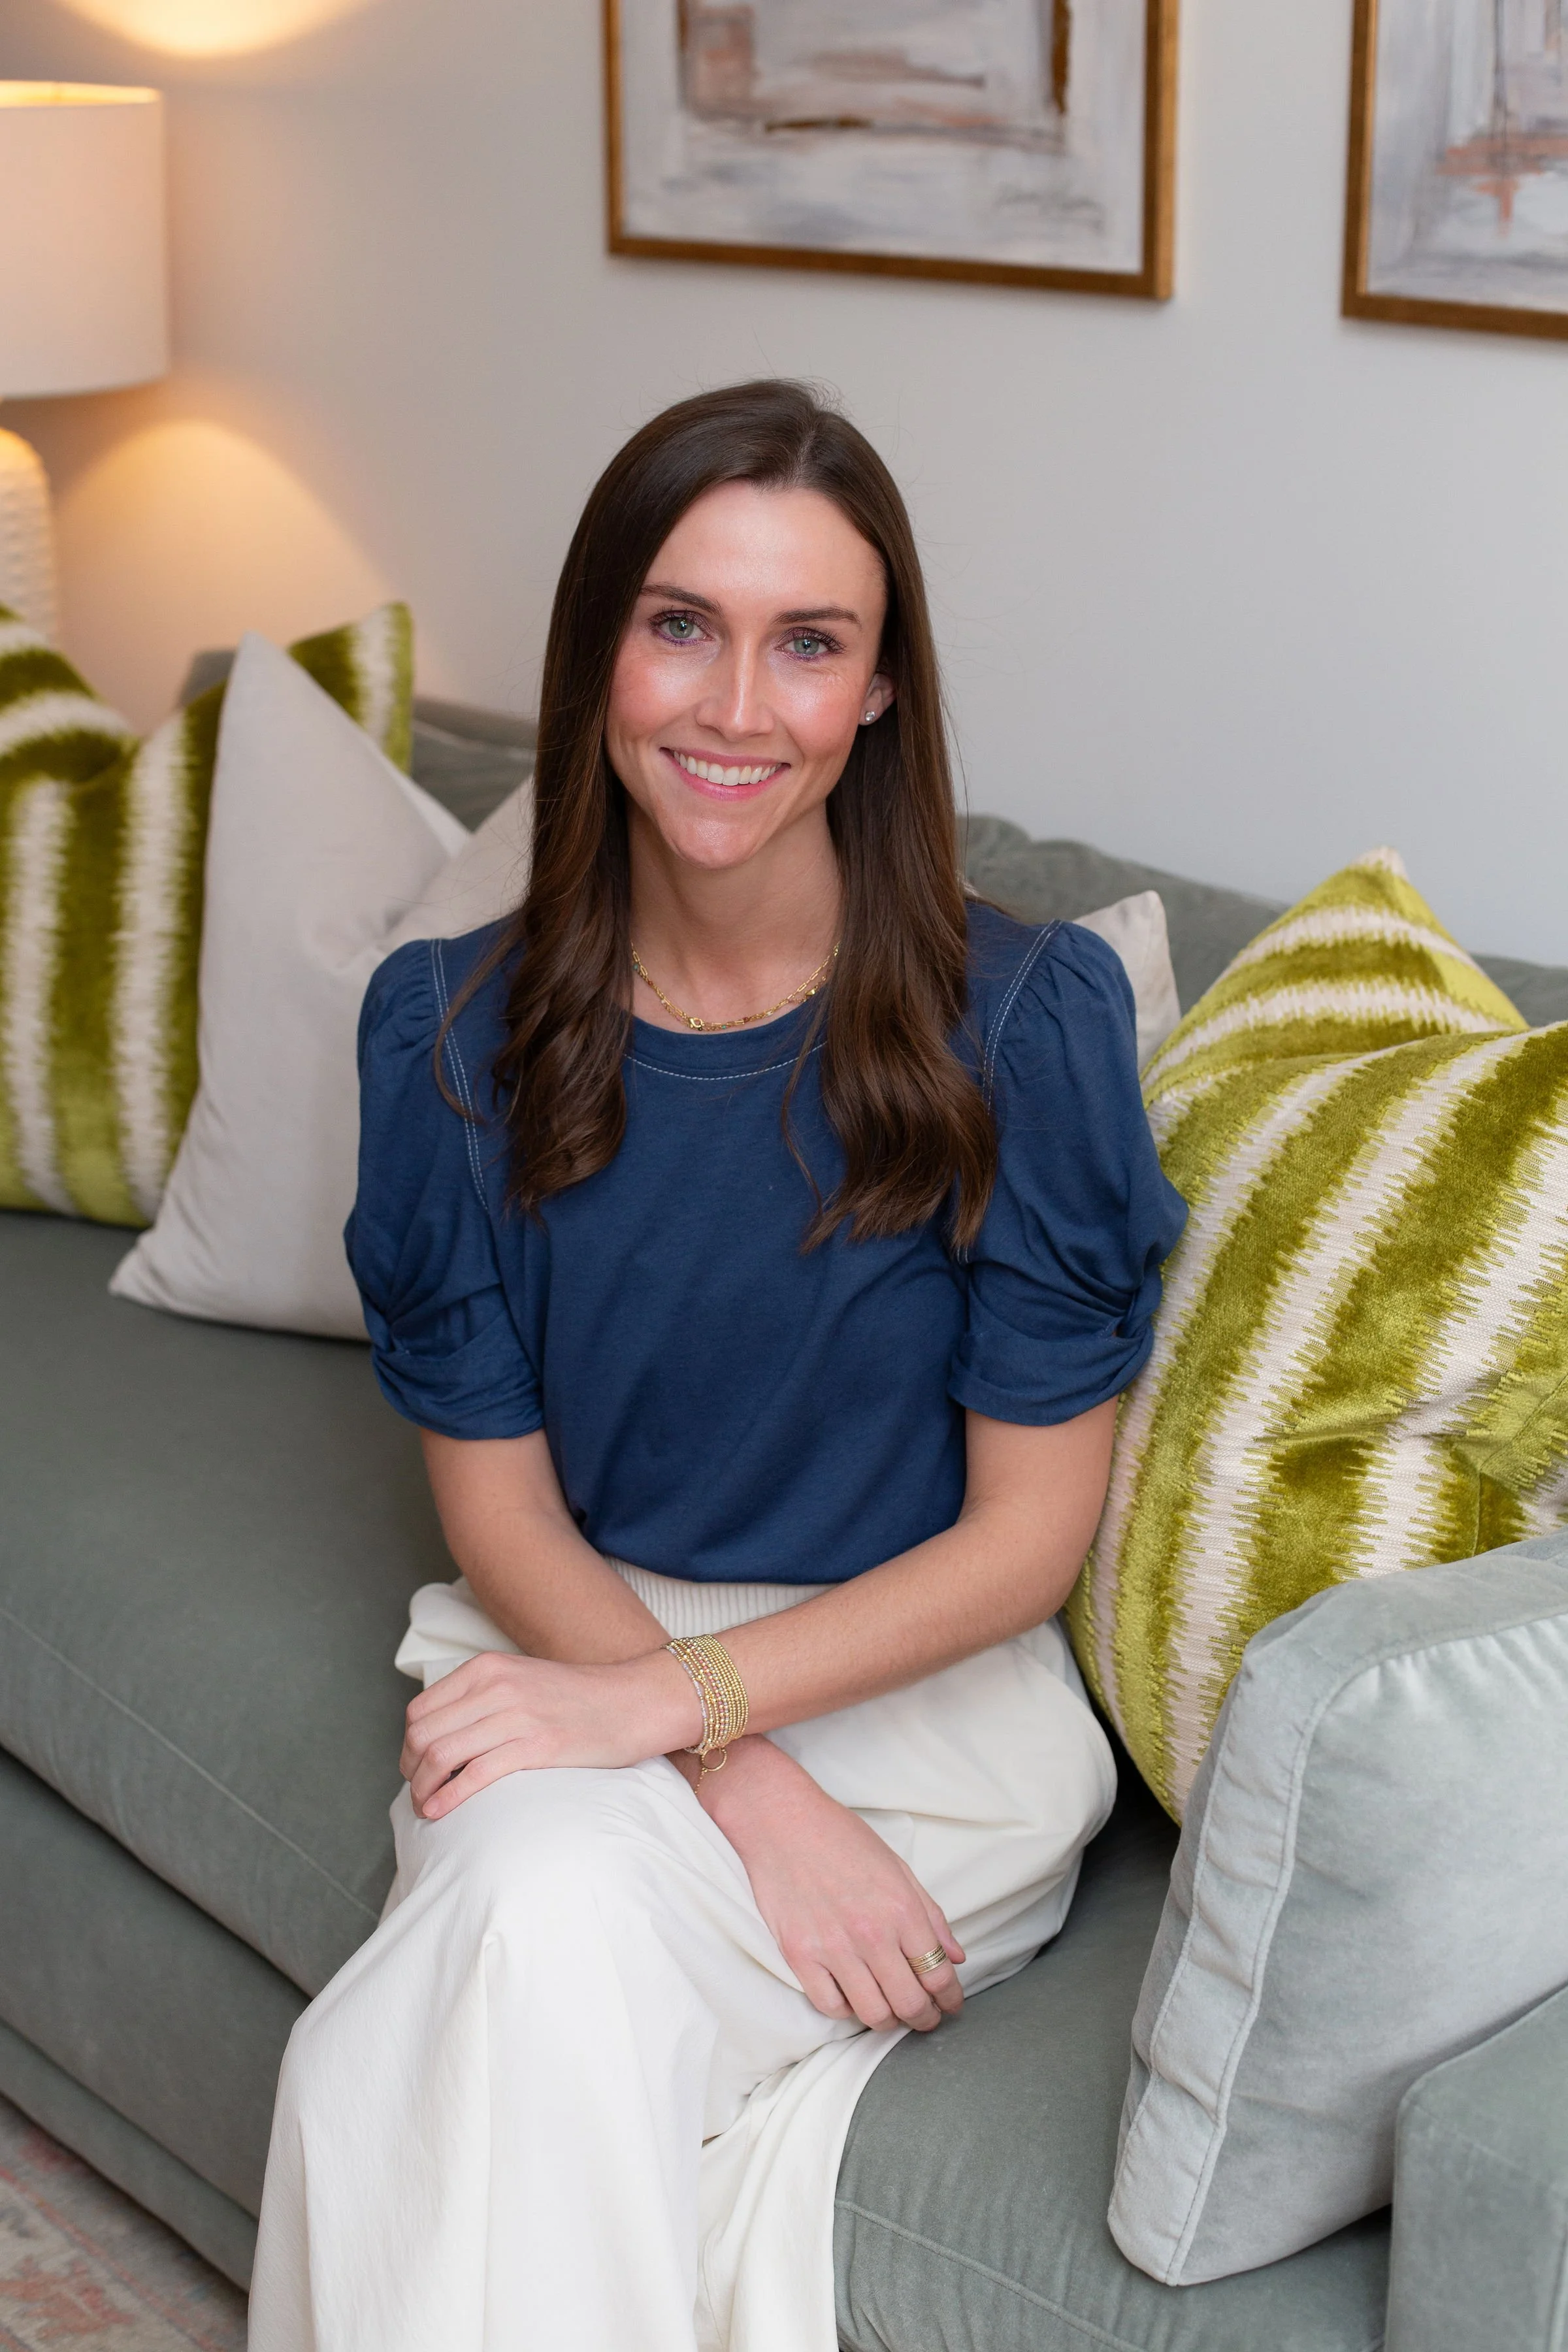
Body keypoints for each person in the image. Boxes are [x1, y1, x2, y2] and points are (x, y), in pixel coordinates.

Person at [248, 379, 1186, 2352]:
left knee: (441, 2014)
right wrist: (719, 1763)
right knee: (535, 1930)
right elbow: (498, 1503)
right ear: (600, 650)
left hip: (927, 1712)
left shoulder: (1025, 1026)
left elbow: (1028, 1541)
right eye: (681, 624)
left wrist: (684, 1721)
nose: (736, 708)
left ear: (880, 697)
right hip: (581, 1658)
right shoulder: (446, 1034)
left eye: (809, 644)